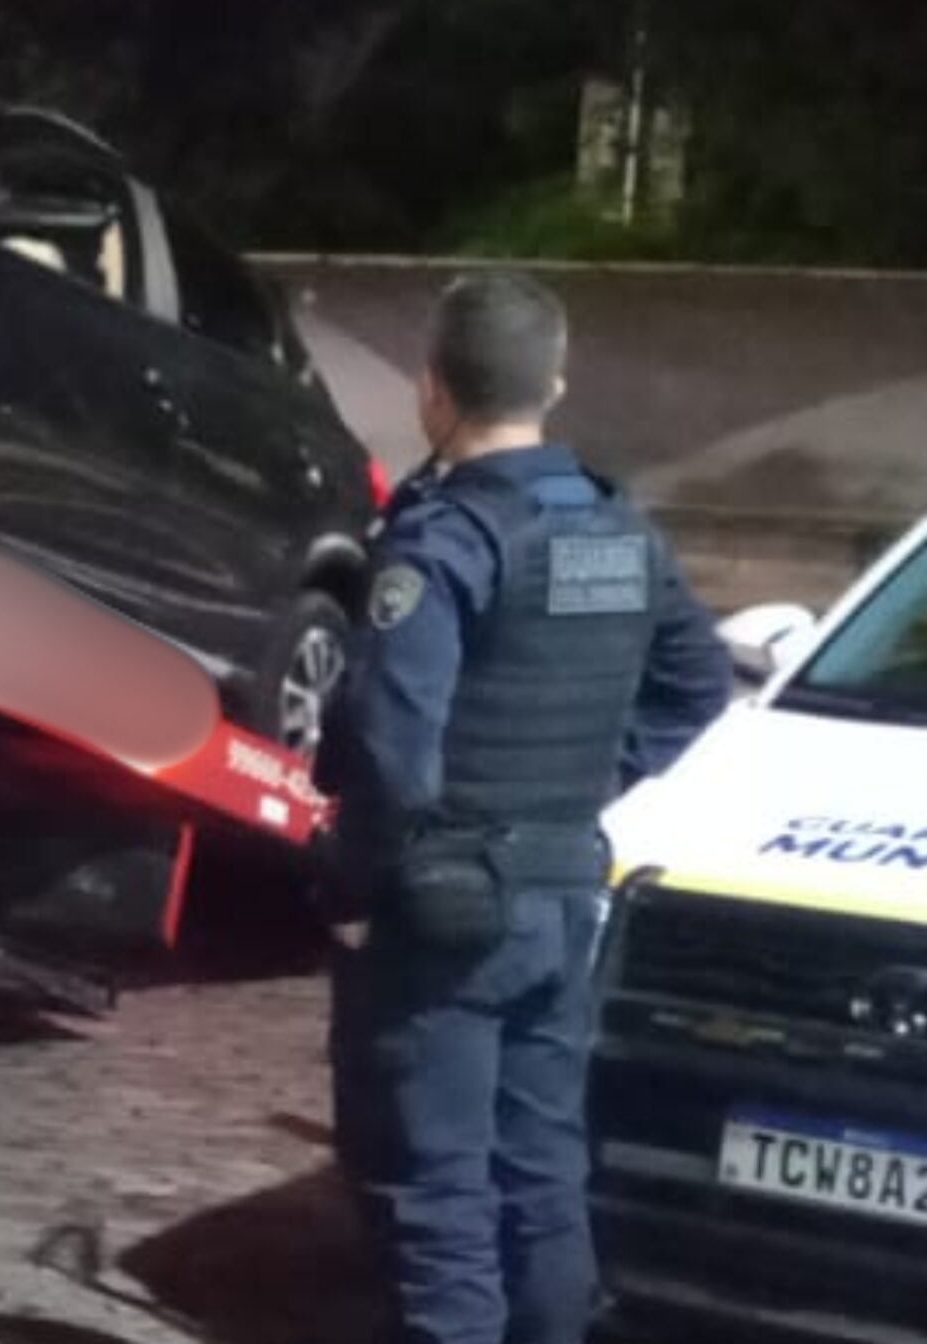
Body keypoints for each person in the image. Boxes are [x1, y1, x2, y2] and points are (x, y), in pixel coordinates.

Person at [314, 271, 732, 1344]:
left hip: (448, 914)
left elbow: (389, 740)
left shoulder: (445, 538)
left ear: (430, 390)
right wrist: (588, 780)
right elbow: (697, 684)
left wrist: (354, 890)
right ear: (553, 380)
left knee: (438, 1192)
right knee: (541, 1177)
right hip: (561, 894)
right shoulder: (620, 530)